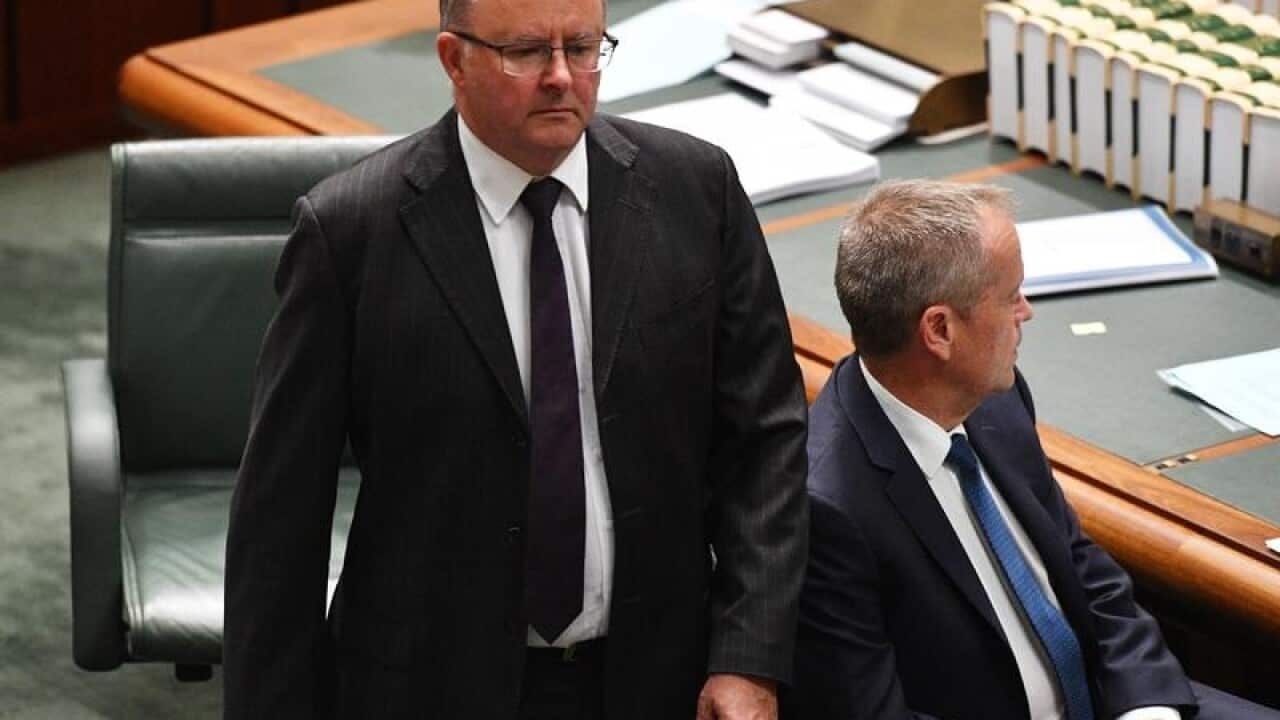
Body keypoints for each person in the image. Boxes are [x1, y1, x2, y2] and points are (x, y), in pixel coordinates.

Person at [221, 0, 809, 717]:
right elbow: (279, 523)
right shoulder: (351, 233)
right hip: (429, 685)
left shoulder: (697, 191)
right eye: (527, 52)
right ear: (452, 59)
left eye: (584, 46)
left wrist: (748, 657)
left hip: (658, 678)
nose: (563, 77)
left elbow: (765, 443)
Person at [784, 180, 1279, 720]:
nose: (1027, 311)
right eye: (1009, 295)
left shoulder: (993, 402)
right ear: (940, 330)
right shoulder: (828, 507)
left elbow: (1082, 570)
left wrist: (1147, 708)